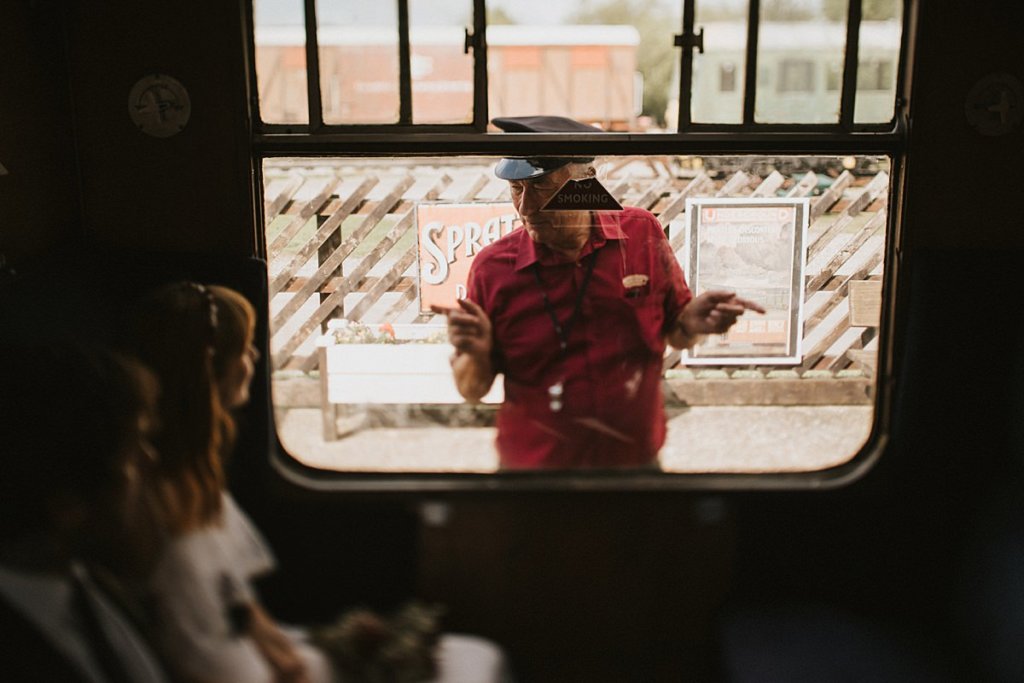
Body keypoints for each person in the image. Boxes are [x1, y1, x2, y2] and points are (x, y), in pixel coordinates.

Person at [130, 282, 511, 683]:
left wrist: (299, 652)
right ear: (214, 369)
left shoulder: (195, 478)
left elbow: (237, 602)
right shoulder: (155, 504)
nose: (254, 357)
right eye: (244, 349)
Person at [432, 115, 765, 469]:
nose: (525, 208)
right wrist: (477, 354)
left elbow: (677, 333)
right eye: (516, 189)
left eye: (542, 187)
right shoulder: (493, 268)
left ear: (585, 182)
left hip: (633, 466)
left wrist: (693, 323)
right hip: (533, 474)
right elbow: (473, 389)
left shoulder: (641, 233)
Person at [0, 341, 172, 683]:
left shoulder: (91, 582)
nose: (151, 459)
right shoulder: (16, 654)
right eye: (133, 448)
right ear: (69, 505)